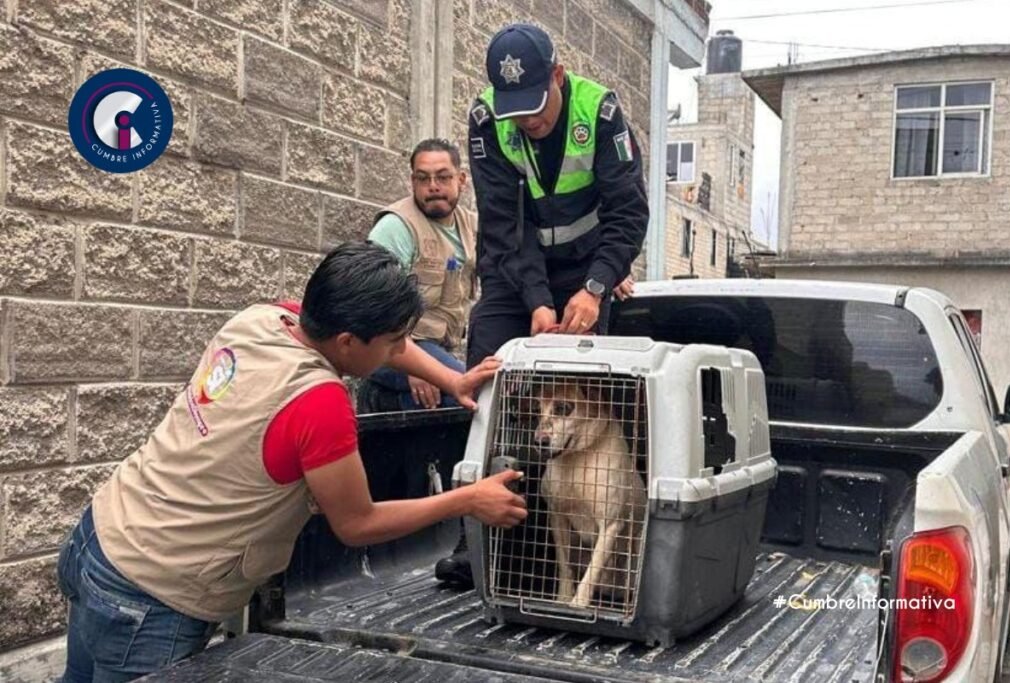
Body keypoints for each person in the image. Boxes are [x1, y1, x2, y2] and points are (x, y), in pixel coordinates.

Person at [56, 242, 527, 682]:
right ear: (347, 342)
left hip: (100, 535)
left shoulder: (263, 318)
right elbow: (357, 524)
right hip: (154, 597)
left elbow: (382, 340)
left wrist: (453, 379)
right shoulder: (318, 403)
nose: (397, 349)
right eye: (392, 341)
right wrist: (467, 499)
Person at [434, 23, 649, 586]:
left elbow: (628, 214)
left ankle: (599, 530)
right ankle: (477, 537)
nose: (528, 121)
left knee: (590, 387)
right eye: (516, 111)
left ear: (558, 75)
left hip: (587, 267)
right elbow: (505, 224)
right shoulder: (488, 121)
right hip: (515, 268)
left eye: (536, 105)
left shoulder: (599, 114)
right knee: (487, 378)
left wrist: (597, 286)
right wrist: (535, 300)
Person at [359, 138, 477, 412]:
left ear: (461, 180)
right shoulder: (396, 227)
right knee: (470, 396)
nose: (433, 186)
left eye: (443, 177)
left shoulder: (472, 226)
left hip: (438, 346)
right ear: (412, 182)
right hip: (392, 347)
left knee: (488, 390)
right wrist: (417, 366)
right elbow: (373, 310)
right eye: (423, 178)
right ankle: (379, 401)